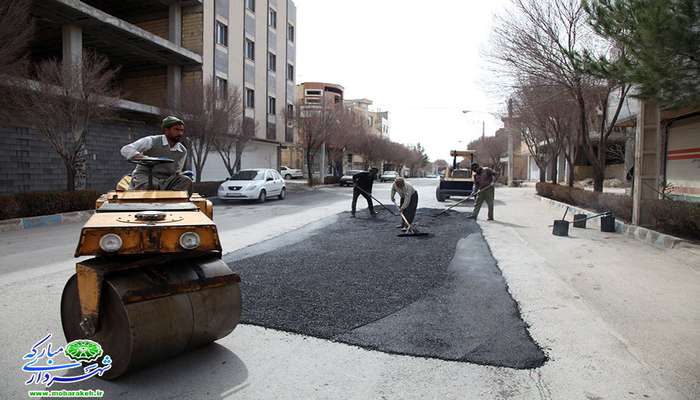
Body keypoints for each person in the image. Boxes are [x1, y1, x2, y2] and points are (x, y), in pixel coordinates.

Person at [120, 116, 193, 191]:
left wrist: (181, 175)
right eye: (176, 130)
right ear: (166, 130)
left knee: (186, 180)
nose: (180, 133)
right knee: (152, 185)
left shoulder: (182, 151)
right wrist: (145, 158)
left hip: (166, 180)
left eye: (182, 130)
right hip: (145, 177)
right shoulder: (152, 141)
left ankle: (172, 201)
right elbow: (126, 149)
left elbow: (177, 171)